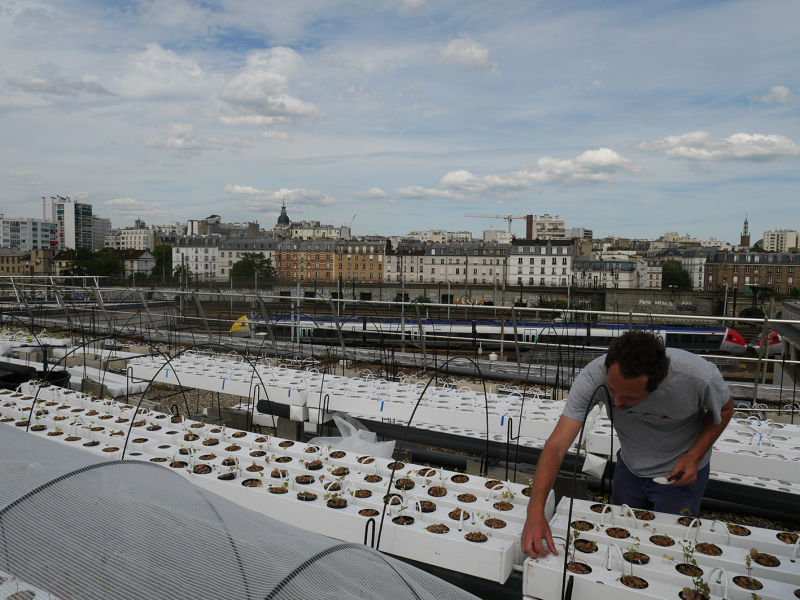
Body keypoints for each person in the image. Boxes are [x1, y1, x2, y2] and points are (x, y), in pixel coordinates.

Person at [520, 331, 733, 559]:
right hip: (630, 467)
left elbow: (725, 408)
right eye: (612, 391)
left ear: (659, 383)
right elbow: (557, 446)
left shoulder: (698, 377)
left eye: (630, 398)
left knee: (670, 548)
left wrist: (695, 455)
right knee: (621, 539)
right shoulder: (593, 376)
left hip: (681, 474)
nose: (618, 402)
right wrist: (535, 511)